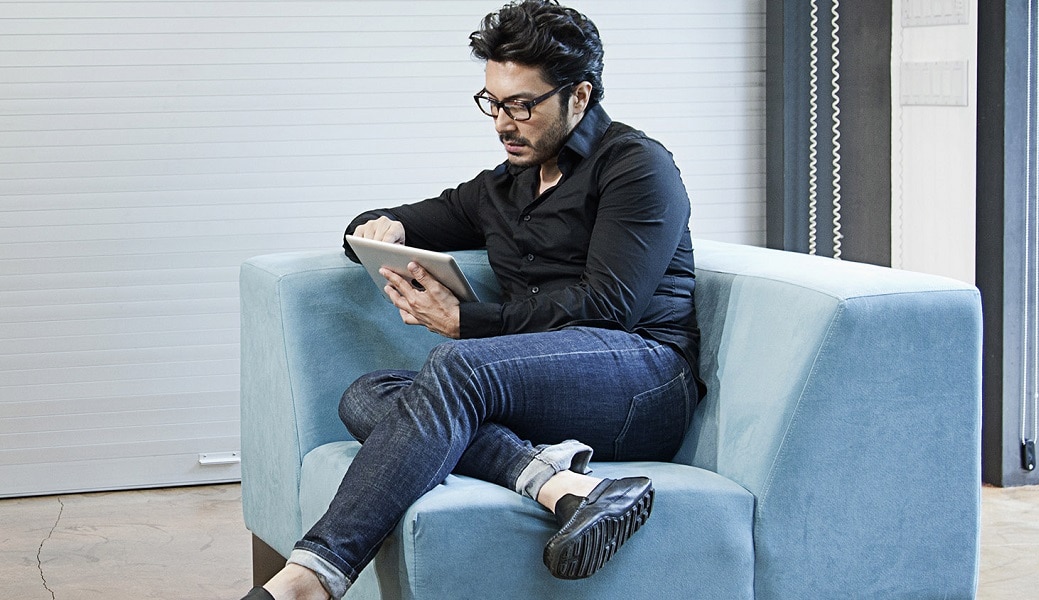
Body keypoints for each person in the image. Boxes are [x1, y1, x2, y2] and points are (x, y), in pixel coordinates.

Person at [241, 1, 701, 598]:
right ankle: (560, 486)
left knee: (455, 368)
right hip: (535, 382)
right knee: (367, 395)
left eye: (523, 105)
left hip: (642, 378)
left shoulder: (636, 166)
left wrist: (468, 323)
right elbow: (387, 222)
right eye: (493, 102)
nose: (503, 123)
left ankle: (311, 578)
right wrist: (380, 228)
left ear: (580, 97)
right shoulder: (503, 188)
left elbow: (611, 305)